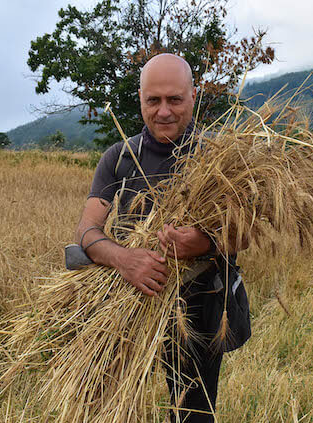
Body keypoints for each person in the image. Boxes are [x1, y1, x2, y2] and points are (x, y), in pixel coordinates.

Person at [73, 53, 250, 422]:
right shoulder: (119, 157)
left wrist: (205, 243)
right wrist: (125, 259)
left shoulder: (220, 158)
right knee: (108, 406)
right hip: (125, 305)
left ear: (193, 96)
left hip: (199, 311)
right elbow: (87, 231)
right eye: (153, 100)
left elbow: (246, 235)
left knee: (192, 414)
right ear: (140, 99)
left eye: (175, 99)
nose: (164, 111)